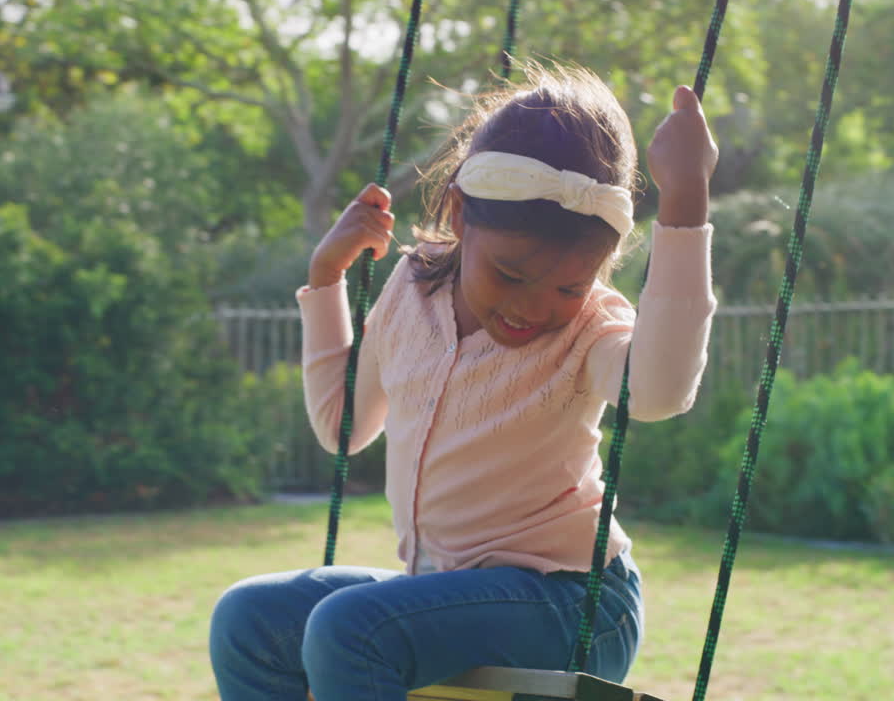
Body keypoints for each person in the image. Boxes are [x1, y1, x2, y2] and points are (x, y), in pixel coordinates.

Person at [210, 62, 719, 701]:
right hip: (447, 595)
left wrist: (686, 200)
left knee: (350, 629)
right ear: (458, 214)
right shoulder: (412, 288)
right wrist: (325, 279)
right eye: (509, 273)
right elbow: (345, 428)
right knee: (248, 619)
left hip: (575, 603)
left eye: (567, 285)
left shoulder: (590, 329)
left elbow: (661, 393)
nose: (533, 307)